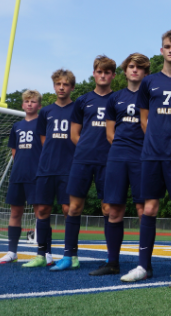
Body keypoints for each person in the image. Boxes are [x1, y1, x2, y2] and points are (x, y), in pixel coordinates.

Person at [120, 30, 171, 284]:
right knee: (149, 208)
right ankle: (144, 266)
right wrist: (156, 141)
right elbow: (144, 119)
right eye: (166, 46)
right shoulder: (149, 83)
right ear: (161, 51)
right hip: (151, 155)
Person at [50, 56, 115, 271]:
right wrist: (87, 148)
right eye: (99, 71)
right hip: (83, 160)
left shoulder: (118, 100)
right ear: (94, 74)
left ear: (113, 75)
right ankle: (70, 257)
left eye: (107, 72)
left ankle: (111, 257)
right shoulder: (83, 100)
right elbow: (74, 134)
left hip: (108, 162)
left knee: (108, 208)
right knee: (74, 207)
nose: (103, 75)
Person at [89, 53, 150, 276]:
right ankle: (112, 262)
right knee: (113, 210)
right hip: (117, 156)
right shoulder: (114, 99)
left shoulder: (151, 96)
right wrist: (123, 148)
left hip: (143, 156)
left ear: (145, 72)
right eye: (131, 66)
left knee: (144, 210)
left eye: (140, 67)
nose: (135, 70)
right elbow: (109, 132)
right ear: (125, 71)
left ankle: (145, 263)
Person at [23, 70, 77, 268]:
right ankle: (41, 253)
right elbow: (44, 140)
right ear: (54, 86)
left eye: (65, 84)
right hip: (46, 168)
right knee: (43, 209)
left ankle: (72, 254)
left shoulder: (77, 109)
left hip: (68, 167)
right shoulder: (45, 111)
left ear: (71, 87)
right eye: (58, 84)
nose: (61, 87)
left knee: (68, 210)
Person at [0, 90, 42, 264]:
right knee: (15, 212)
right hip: (18, 174)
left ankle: (43, 252)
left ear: (39, 105)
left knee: (41, 212)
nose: (30, 104)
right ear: (23, 104)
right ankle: (12, 251)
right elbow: (14, 151)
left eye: (33, 101)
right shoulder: (16, 126)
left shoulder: (43, 124)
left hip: (37, 174)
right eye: (27, 101)